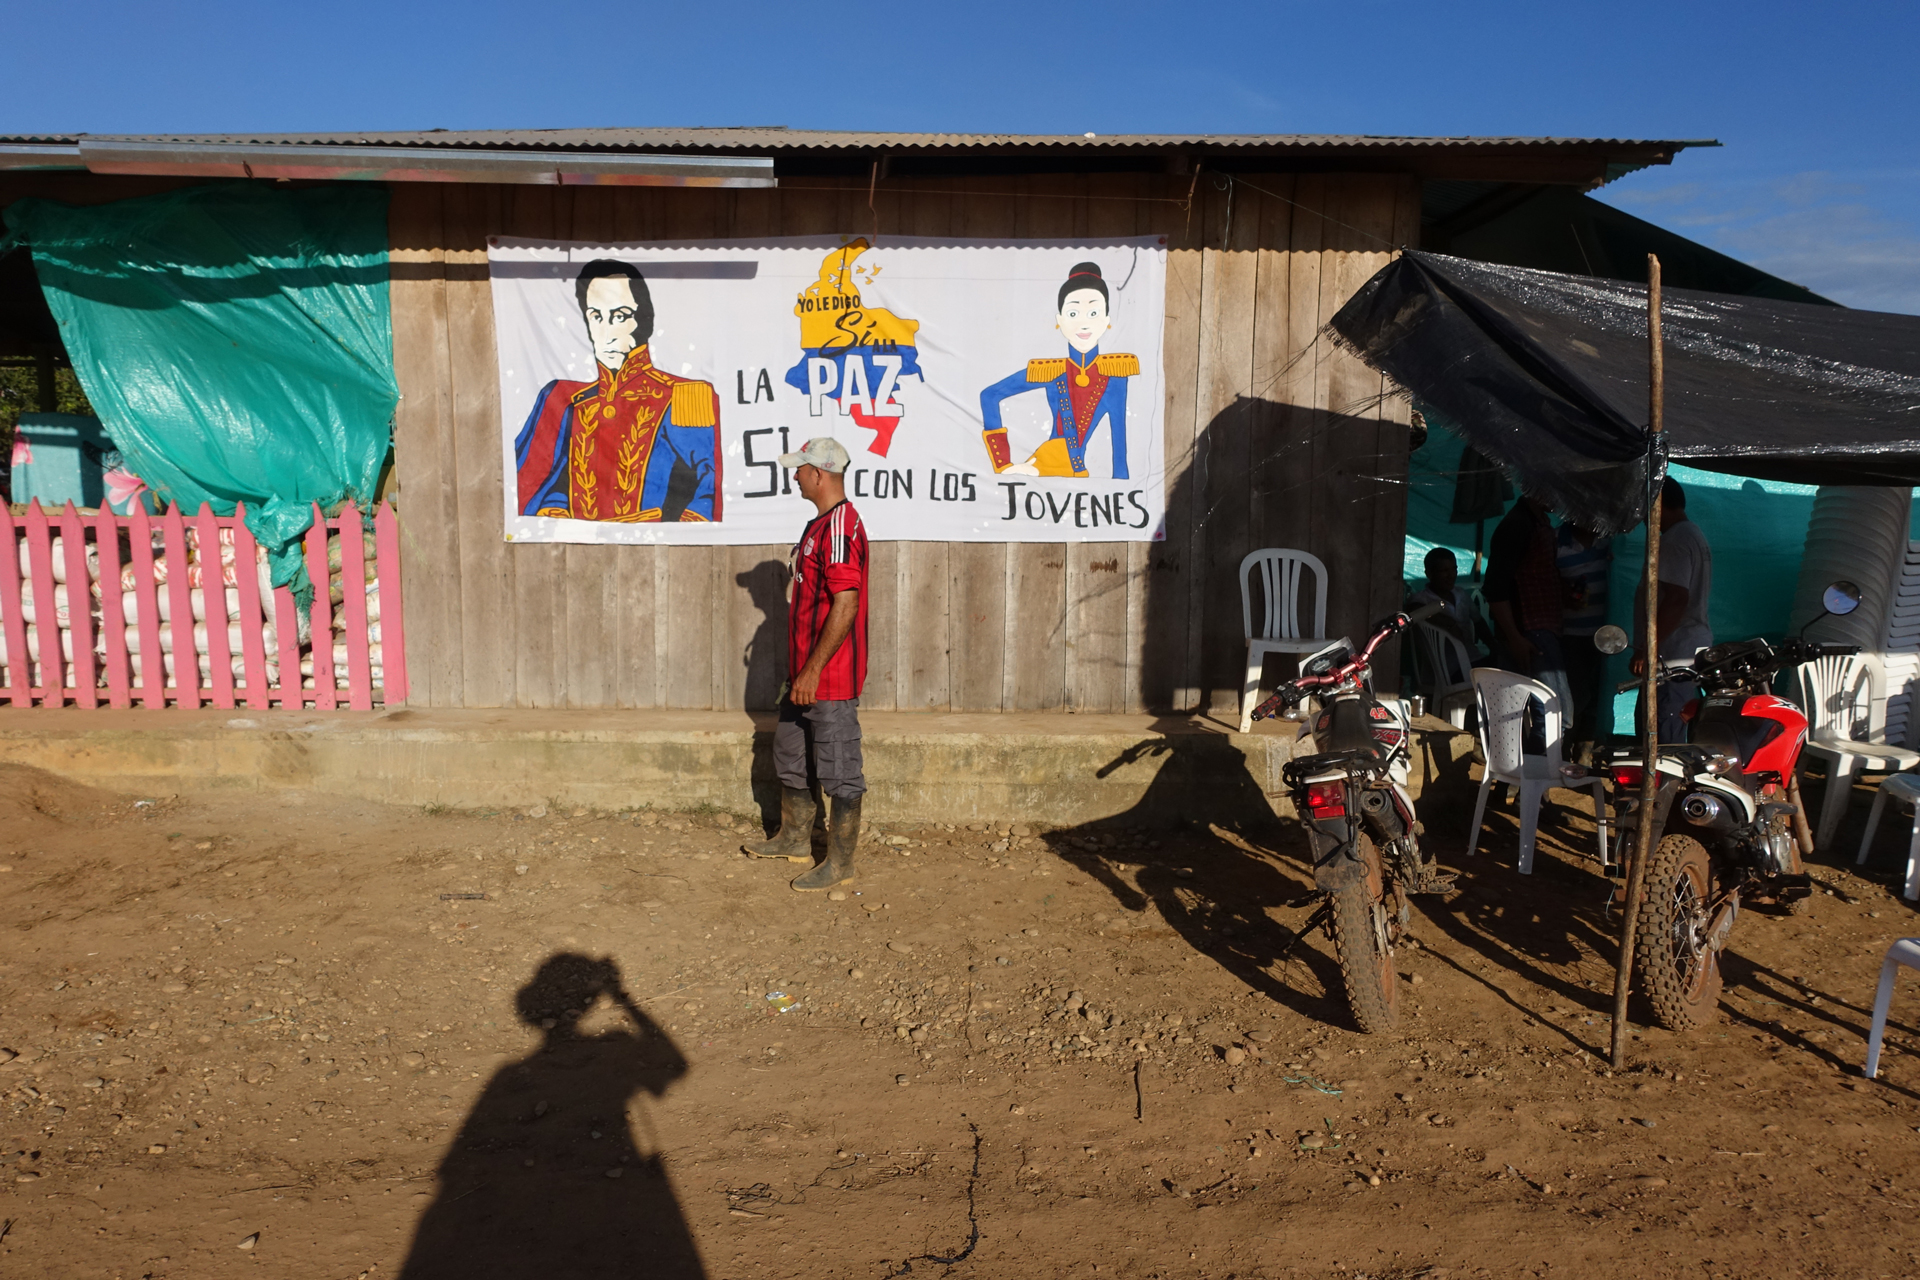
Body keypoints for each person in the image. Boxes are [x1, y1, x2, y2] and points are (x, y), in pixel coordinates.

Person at [743, 437, 869, 892]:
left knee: (839, 767)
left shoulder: (841, 526)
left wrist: (814, 670)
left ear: (820, 473)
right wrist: (800, 673)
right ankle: (795, 838)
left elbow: (846, 603)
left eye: (800, 469)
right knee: (791, 755)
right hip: (804, 679)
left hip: (828, 680)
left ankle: (840, 863)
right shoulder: (817, 525)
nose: (794, 475)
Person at [515, 259, 722, 523]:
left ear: (644, 319)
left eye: (620, 316)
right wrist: (556, 514)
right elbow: (547, 485)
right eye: (596, 316)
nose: (607, 331)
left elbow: (708, 490)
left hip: (658, 553)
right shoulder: (567, 402)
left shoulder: (687, 394)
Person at [978, 261, 1138, 479]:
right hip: (1041, 466)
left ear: (1107, 321)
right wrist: (1002, 464)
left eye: (1093, 313)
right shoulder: (1051, 370)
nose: (1083, 324)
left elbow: (1119, 444)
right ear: (1060, 321)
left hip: (1074, 471)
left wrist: (1121, 489)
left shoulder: (1115, 373)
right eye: (1073, 314)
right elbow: (989, 395)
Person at [1482, 494, 1573, 748]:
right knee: (1556, 714)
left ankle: (1524, 783)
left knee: (1527, 715)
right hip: (1529, 631)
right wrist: (1516, 638)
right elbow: (1495, 589)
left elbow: (1529, 574)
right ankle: (1532, 782)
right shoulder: (1517, 525)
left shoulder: (1538, 522)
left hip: (1537, 629)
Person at [1632, 476, 1713, 742]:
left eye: (1644, 507)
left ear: (1658, 504)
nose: (1641, 516)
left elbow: (1677, 599)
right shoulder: (1693, 534)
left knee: (1662, 727)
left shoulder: (1675, 540)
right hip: (1686, 649)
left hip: (1671, 653)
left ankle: (1662, 782)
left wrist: (1648, 648)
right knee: (1670, 721)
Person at [1557, 522, 1614, 751]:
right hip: (1571, 634)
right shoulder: (1555, 542)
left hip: (1608, 636)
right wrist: (1563, 592)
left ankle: (1585, 750)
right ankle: (1564, 747)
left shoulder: (1613, 540)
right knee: (1575, 695)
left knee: (1599, 695)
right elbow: (1544, 580)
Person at [1408, 546, 1492, 669]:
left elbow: (1479, 622)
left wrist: (1493, 647)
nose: (1451, 575)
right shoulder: (1421, 599)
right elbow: (1414, 610)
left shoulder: (1461, 595)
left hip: (1473, 659)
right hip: (1446, 668)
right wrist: (1449, 623)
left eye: (1454, 569)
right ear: (1429, 574)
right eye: (1444, 571)